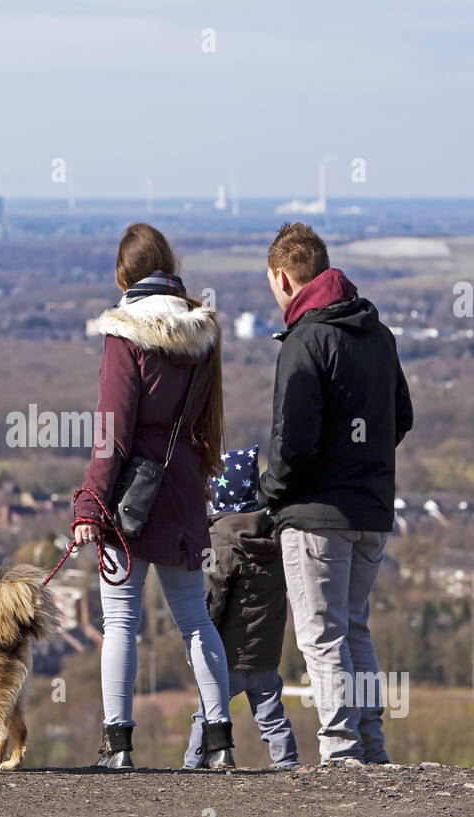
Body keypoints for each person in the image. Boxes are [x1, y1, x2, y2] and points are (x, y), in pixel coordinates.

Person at [73, 222, 234, 770]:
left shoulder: (124, 334)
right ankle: (220, 743)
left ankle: (118, 749)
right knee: (195, 618)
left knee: (120, 622)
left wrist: (90, 503)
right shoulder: (202, 332)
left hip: (128, 503)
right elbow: (204, 423)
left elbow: (112, 431)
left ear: (124, 275)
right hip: (185, 490)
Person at [257, 222, 413, 766]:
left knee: (322, 637)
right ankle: (369, 749)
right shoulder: (379, 335)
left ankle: (342, 754)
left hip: (316, 516)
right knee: (354, 629)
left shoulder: (304, 340)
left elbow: (291, 444)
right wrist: (361, 463)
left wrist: (269, 497)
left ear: (283, 277)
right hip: (371, 511)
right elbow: (401, 418)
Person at [183, 445, 299, 770]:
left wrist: (197, 648)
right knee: (272, 715)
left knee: (208, 710)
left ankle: (191, 765)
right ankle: (288, 762)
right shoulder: (276, 539)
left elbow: (212, 601)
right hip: (266, 653)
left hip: (227, 658)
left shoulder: (219, 543)